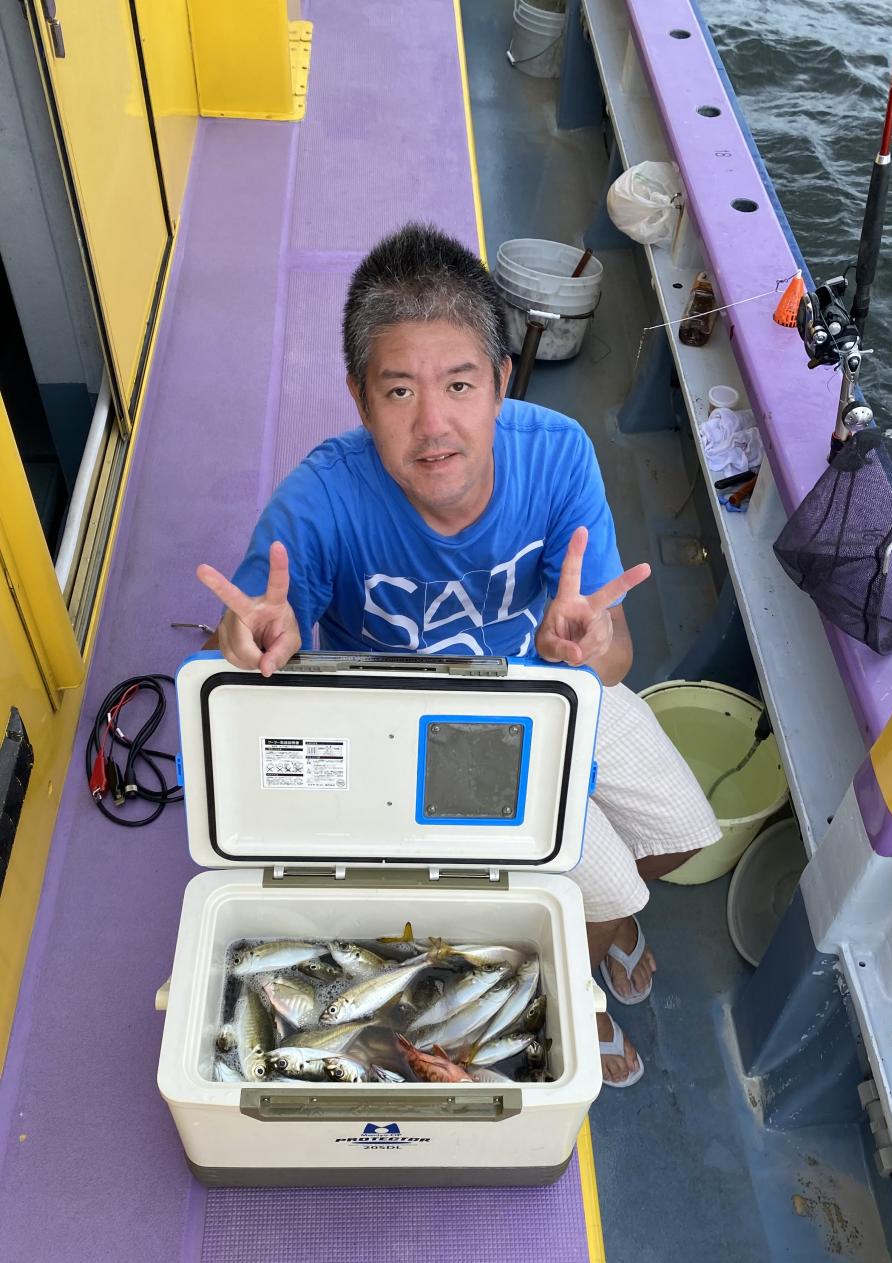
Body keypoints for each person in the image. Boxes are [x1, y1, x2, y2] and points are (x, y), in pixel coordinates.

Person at [197, 223, 720, 1086]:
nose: (433, 424)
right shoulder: (319, 499)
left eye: (460, 384)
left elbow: (615, 649)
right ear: (361, 399)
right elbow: (257, 625)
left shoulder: (560, 456)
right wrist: (253, 638)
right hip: (404, 733)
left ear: (502, 382)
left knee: (682, 833)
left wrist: (587, 653)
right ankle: (578, 978)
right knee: (606, 882)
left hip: (543, 691)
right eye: (399, 390)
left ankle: (604, 929)